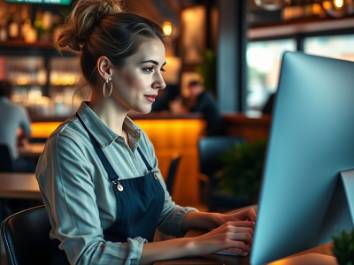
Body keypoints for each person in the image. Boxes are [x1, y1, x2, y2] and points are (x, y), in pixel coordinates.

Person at [35, 1, 256, 264]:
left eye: (160, 69)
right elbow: (88, 256)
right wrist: (196, 243)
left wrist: (216, 220)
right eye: (148, 68)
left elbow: (164, 212)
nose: (161, 82)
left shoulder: (138, 139)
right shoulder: (69, 146)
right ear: (106, 69)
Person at [0, 79, 32, 171]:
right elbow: (28, 133)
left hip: (7, 160)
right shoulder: (18, 109)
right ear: (11, 94)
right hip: (10, 161)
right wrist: (18, 140)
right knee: (35, 168)